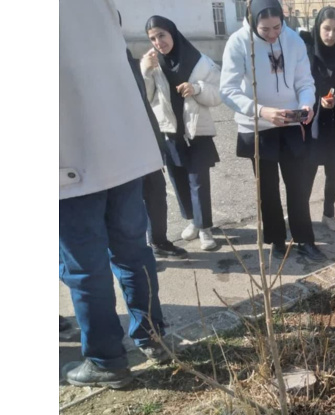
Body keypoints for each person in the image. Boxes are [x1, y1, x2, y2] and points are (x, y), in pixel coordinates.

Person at [60, 0, 172, 388]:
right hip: (122, 144)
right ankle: (153, 338)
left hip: (69, 155)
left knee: (85, 266)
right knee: (132, 252)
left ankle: (106, 359)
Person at [220, 0, 325, 262]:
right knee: (267, 189)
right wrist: (261, 111)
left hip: (290, 123)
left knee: (297, 186)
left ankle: (305, 239)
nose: (272, 34)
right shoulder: (238, 42)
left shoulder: (294, 40)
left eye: (277, 27)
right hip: (258, 126)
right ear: (252, 21)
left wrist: (306, 104)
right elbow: (228, 90)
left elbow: (305, 81)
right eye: (264, 29)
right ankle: (277, 241)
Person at [142, 16, 222, 251]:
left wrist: (197, 88)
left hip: (197, 131)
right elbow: (146, 98)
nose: (158, 42)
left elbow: (219, 93)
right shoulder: (152, 64)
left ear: (173, 34)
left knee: (198, 181)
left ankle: (205, 228)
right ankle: (192, 221)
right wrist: (145, 72)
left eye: (162, 35)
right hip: (170, 131)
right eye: (153, 38)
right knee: (178, 180)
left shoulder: (200, 62)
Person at [119, 12, 188, 259]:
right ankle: (136, 252)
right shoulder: (93, 61)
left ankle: (158, 242)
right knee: (127, 203)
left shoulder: (125, 56)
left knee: (156, 193)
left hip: (146, 140)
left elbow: (145, 103)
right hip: (118, 145)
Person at [302, 6, 335, 232]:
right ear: (318, 27)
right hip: (311, 119)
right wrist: (316, 101)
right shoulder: (307, 48)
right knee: (308, 170)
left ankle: (328, 213)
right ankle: (300, 213)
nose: (331, 35)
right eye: (326, 29)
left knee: (333, 171)